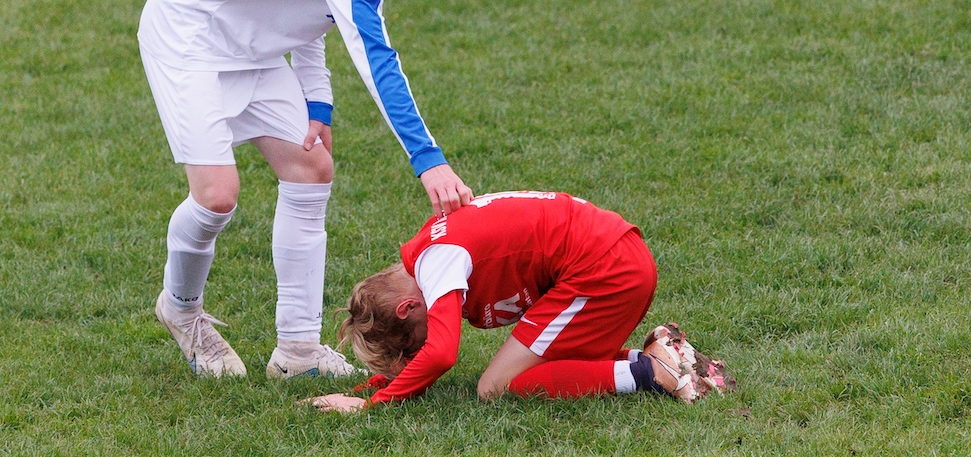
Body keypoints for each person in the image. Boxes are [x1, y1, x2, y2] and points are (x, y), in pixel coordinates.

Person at [137, 0, 513, 379]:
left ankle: (296, 351)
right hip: (189, 35)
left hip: (251, 43)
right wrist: (429, 161)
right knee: (217, 197)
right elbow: (376, 57)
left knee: (311, 168)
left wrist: (319, 101)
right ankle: (182, 309)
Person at [307, 191, 734, 411]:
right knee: (541, 370)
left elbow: (439, 354)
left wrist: (371, 407)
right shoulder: (428, 252)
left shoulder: (437, 264)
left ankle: (648, 373)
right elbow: (427, 355)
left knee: (495, 387)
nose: (421, 345)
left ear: (407, 308)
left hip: (603, 270)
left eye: (409, 344)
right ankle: (664, 355)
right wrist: (376, 383)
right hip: (614, 256)